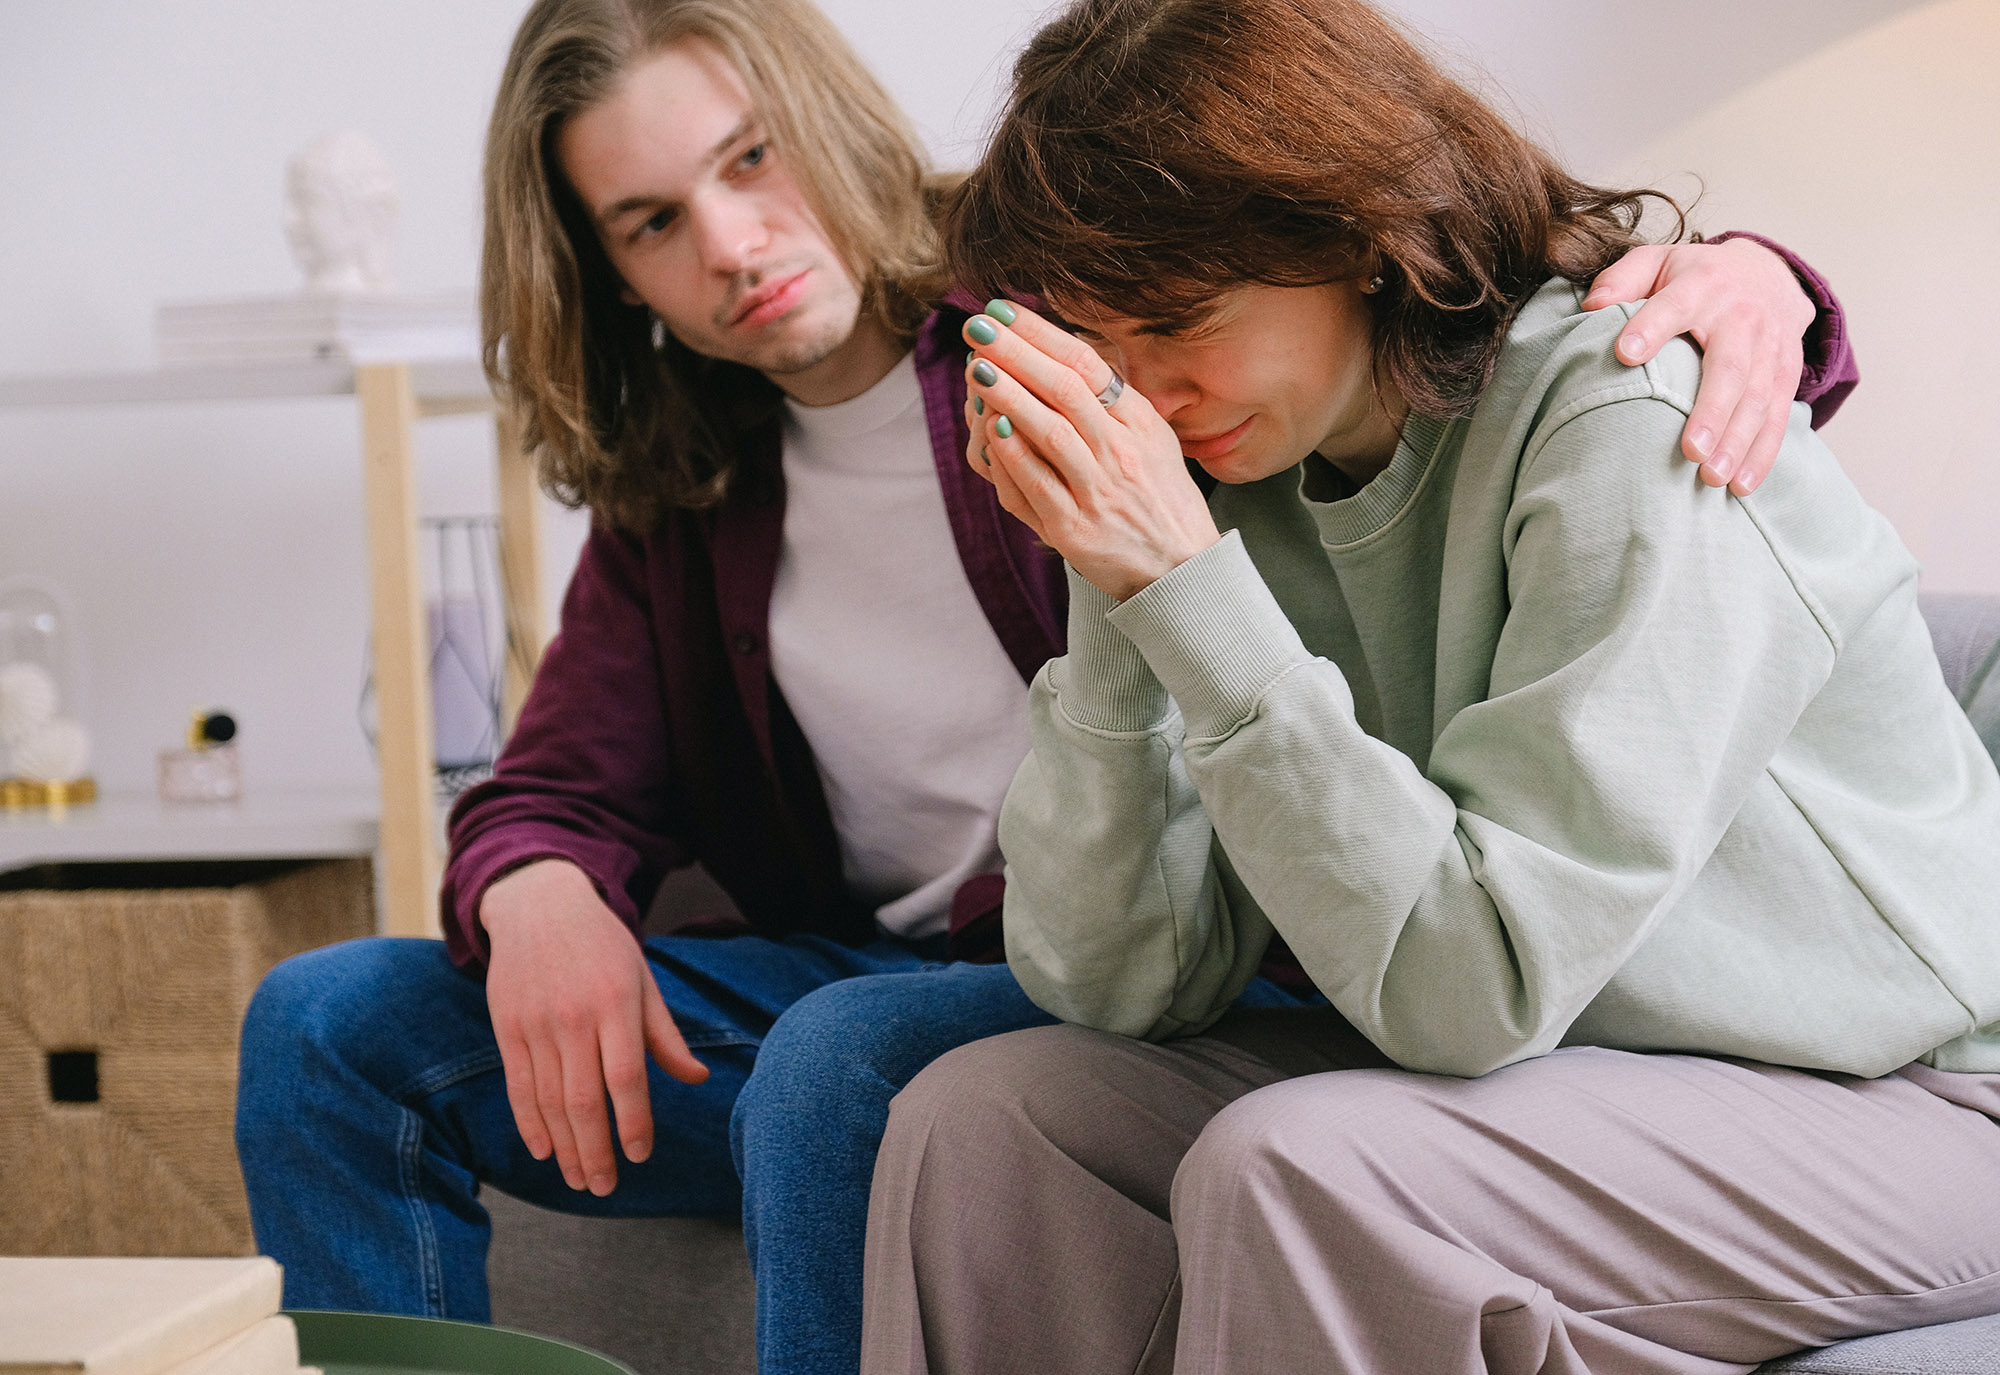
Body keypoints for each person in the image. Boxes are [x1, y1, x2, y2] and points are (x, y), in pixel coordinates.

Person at [232, 0, 1855, 1370]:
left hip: (1187, 953)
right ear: (605, 268)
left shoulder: (1081, 312)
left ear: (824, 118)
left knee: (844, 1059)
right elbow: (557, 780)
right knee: (324, 1024)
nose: (731, 245)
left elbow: (1469, 318)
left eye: (748, 158)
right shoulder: (689, 470)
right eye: (651, 221)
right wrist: (531, 888)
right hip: (894, 966)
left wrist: (1762, 282)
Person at [858, 1, 2000, 1372]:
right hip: (1578, 1074)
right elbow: (1119, 984)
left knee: (1307, 1166)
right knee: (986, 1120)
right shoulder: (1234, 462)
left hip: (1914, 1100)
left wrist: (1187, 589)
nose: (1141, 394)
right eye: (1100, 346)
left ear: (1344, 232)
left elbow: (1476, 986)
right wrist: (1118, 585)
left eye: (1174, 321)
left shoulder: (1629, 416)